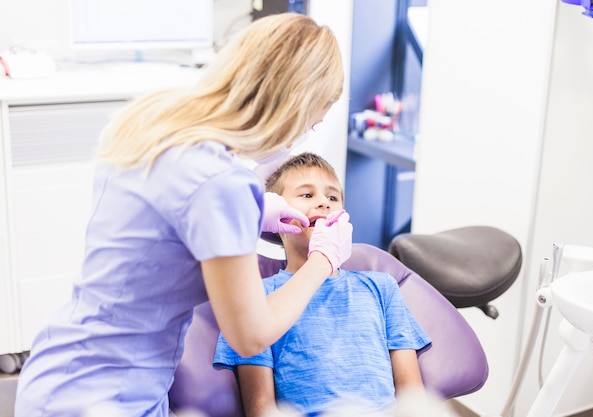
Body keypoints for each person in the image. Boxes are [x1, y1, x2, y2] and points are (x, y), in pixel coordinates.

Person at [14, 13, 352, 417]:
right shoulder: (222, 185)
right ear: (292, 106)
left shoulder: (153, 123)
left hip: (61, 372)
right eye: (311, 122)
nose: (305, 133)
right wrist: (323, 260)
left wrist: (256, 208)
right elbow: (250, 335)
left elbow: (165, 213)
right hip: (107, 398)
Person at [213, 153, 432, 417]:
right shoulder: (259, 297)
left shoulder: (381, 287)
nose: (323, 203)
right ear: (277, 217)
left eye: (333, 197)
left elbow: (413, 395)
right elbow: (261, 408)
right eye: (307, 195)